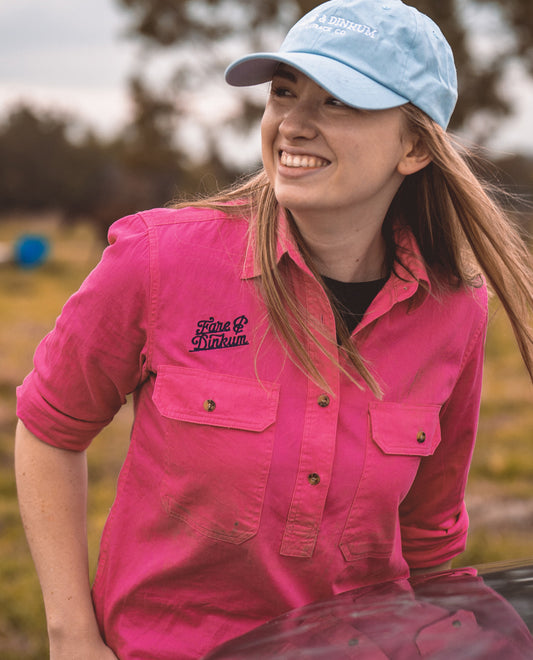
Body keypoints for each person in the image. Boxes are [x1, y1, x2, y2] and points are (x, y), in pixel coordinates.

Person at [14, 1, 533, 658]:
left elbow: (428, 540)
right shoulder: (156, 258)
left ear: (411, 147)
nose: (293, 123)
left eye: (337, 101)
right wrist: (72, 638)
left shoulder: (454, 310)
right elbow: (50, 429)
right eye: (284, 93)